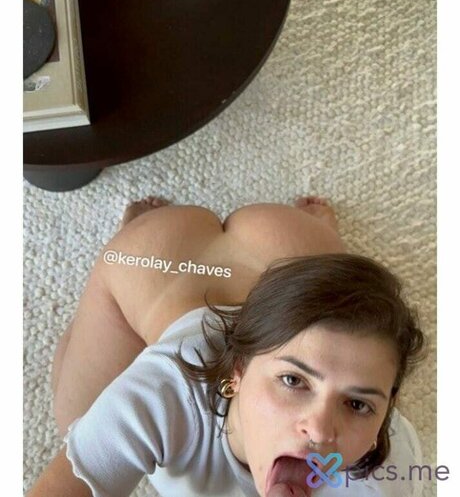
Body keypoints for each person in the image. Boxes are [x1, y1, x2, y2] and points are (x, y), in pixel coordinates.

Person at [27, 196, 425, 497]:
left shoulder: (388, 471)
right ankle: (136, 227)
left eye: (357, 404)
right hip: (160, 261)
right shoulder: (164, 394)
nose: (319, 431)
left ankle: (319, 236)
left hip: (290, 249)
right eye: (293, 380)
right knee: (74, 416)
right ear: (236, 372)